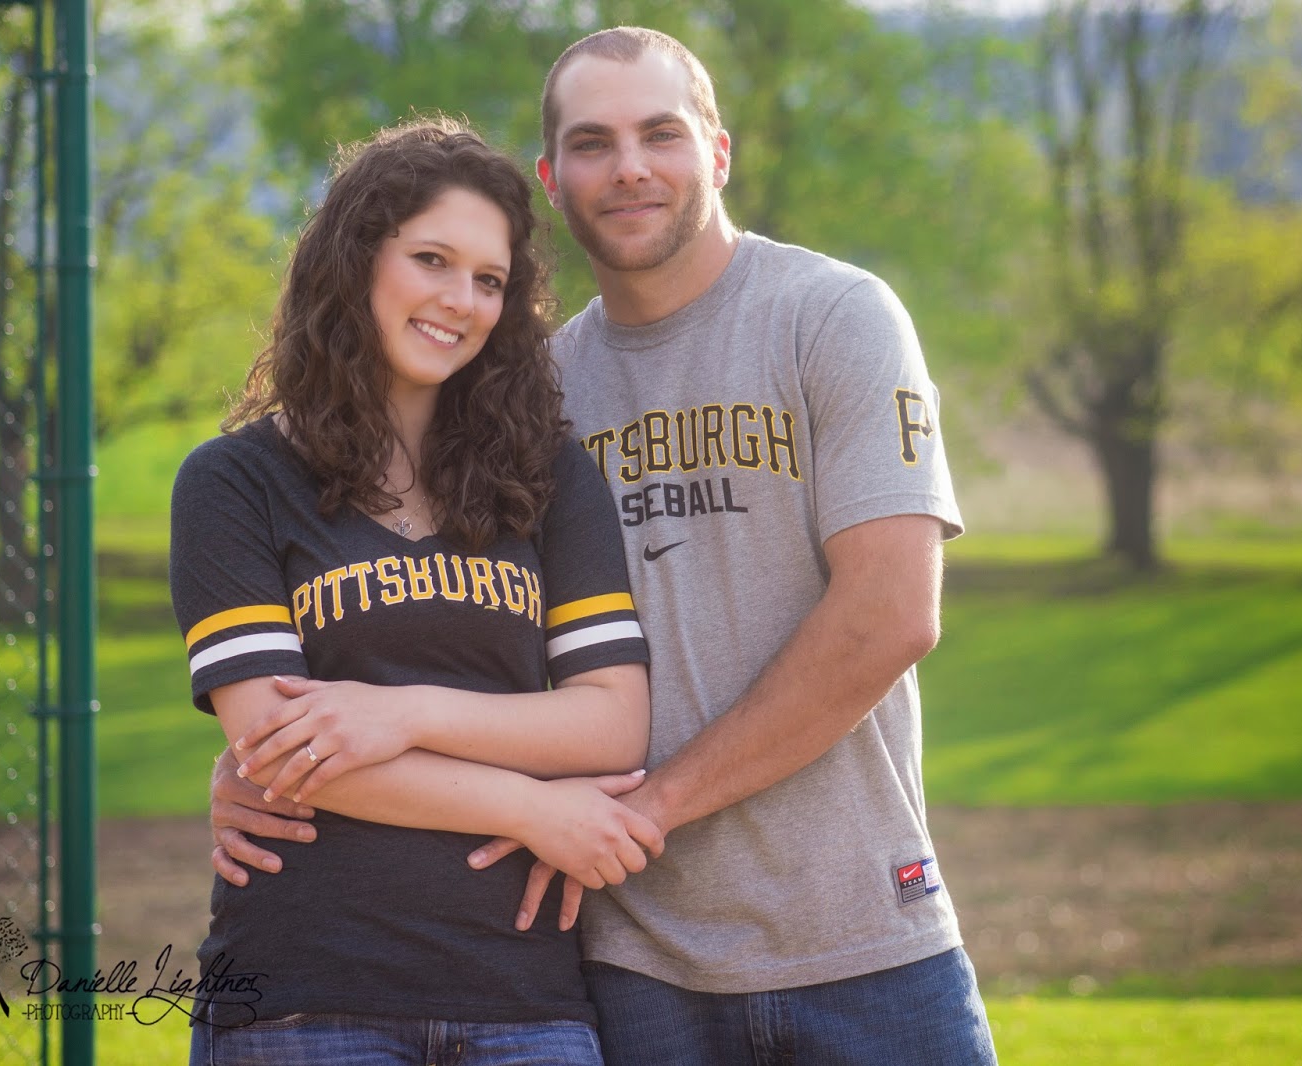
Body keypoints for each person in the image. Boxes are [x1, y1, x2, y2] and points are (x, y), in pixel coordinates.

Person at [213, 29, 998, 1064]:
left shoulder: (834, 317)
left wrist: (650, 809)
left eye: (659, 133)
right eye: (592, 143)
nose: (628, 167)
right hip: (627, 958)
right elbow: (417, 616)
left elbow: (891, 615)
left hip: (860, 931)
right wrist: (263, 757)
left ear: (716, 153)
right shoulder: (522, 398)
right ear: (552, 180)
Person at [169, 116, 662, 1064]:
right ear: (356, 259)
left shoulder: (547, 476)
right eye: (431, 259)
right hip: (307, 993)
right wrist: (530, 809)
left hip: (526, 997)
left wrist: (402, 714)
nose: (460, 301)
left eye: (489, 280)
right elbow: (280, 747)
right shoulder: (236, 481)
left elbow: (611, 723)